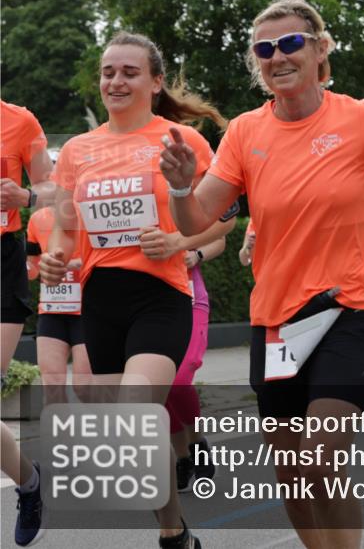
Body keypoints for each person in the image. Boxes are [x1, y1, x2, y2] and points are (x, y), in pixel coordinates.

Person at [162, 0, 364, 549]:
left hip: (347, 309)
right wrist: (183, 184)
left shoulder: (359, 118)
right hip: (276, 322)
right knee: (291, 477)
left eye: (289, 44)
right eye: (265, 49)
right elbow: (195, 218)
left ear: (318, 48)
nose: (277, 56)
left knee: (319, 459)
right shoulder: (243, 132)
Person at [39, 31, 228, 549]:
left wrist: (177, 239)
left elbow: (222, 220)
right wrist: (57, 257)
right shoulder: (78, 149)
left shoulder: (181, 141)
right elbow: (64, 225)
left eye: (129, 72)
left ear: (155, 81)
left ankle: (171, 536)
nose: (116, 81)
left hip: (160, 297)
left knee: (136, 412)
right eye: (108, 72)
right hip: (98, 301)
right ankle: (175, 528)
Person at [1, 98, 53, 548]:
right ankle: (30, 481)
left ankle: (31, 485)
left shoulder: (19, 121)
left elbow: (53, 188)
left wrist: (26, 198)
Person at [170, 216, 236, 492]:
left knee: (179, 378)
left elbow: (218, 237)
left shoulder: (183, 199)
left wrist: (196, 254)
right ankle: (183, 457)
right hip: (149, 302)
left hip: (190, 296)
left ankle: (197, 442)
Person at [26, 203, 92, 404]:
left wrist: (72, 265)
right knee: (52, 386)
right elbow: (33, 268)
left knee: (84, 387)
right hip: (51, 311)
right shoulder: (37, 219)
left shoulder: (89, 213)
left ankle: (103, 429)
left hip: (85, 312)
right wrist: (28, 268)